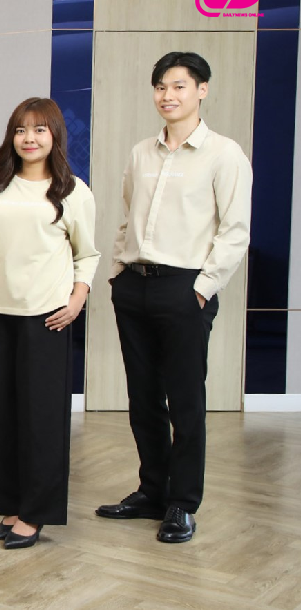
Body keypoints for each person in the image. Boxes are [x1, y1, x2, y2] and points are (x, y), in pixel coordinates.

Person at [95, 52, 252, 544]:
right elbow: (128, 217)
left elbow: (235, 231)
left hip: (185, 288)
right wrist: (118, 270)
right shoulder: (142, 153)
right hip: (134, 284)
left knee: (184, 401)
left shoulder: (224, 154)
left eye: (179, 86)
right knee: (142, 398)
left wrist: (202, 289)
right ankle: (152, 491)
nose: (168, 95)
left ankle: (183, 503)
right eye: (161, 86)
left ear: (201, 90)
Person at [0, 97, 99, 550]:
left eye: (40, 129)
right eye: (21, 130)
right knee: (2, 416)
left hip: (47, 318)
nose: (30, 138)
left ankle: (36, 511)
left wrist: (77, 300)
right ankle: (12, 503)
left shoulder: (72, 191)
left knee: (42, 419)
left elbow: (87, 254)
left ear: (55, 135)